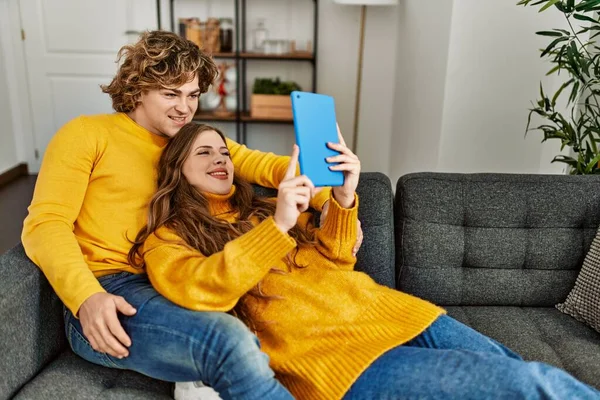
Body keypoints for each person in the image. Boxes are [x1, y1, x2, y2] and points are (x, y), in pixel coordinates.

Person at [130, 122, 600, 400]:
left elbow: (336, 261)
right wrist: (276, 228)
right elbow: (198, 288)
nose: (221, 159)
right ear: (176, 168)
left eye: (225, 151)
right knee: (532, 385)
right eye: (204, 151)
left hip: (398, 315)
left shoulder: (261, 207)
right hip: (339, 361)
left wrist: (345, 192)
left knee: (517, 372)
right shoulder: (168, 239)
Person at [21, 30, 360, 400]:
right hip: (113, 288)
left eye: (193, 95)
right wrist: (86, 297)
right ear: (137, 89)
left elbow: (271, 167)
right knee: (228, 340)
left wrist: (331, 200)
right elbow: (44, 224)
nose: (184, 107)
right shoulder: (87, 135)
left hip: (187, 276)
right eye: (170, 94)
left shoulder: (196, 143)